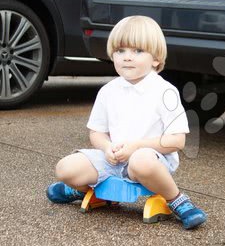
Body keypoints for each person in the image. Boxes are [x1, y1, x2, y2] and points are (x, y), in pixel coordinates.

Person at [46, 15, 207, 230]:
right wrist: (106, 147)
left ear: (156, 59)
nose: (127, 57)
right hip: (114, 158)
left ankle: (177, 200)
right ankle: (82, 189)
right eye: (120, 51)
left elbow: (177, 141)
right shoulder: (108, 91)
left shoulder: (165, 91)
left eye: (137, 51)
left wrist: (135, 147)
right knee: (65, 168)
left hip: (151, 159)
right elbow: (97, 132)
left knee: (140, 161)